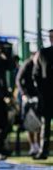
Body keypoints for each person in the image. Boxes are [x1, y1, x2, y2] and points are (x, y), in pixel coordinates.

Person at [33, 29, 53, 160]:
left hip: (46, 94)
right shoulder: (43, 53)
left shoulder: (43, 53)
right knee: (45, 124)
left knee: (45, 124)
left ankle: (43, 150)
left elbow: (36, 75)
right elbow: (36, 75)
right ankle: (43, 150)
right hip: (46, 95)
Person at [16, 54, 40, 156]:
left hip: (37, 96)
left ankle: (38, 145)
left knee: (38, 121)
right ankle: (32, 145)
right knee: (28, 121)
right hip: (27, 96)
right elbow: (18, 80)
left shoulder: (38, 64)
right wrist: (24, 94)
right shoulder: (27, 64)